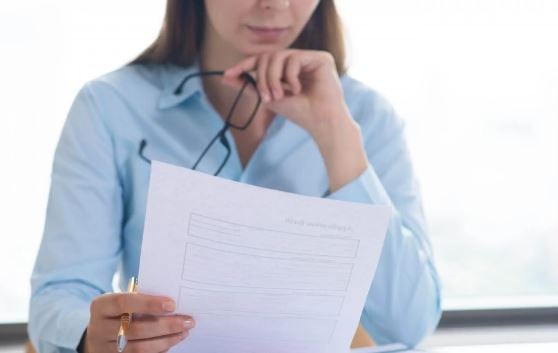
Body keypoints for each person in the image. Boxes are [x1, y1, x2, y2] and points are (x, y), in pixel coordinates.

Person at [28, 0, 442, 352]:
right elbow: (58, 295)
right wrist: (90, 334)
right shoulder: (110, 107)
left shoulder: (367, 117)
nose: (274, 5)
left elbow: (408, 323)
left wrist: (336, 135)